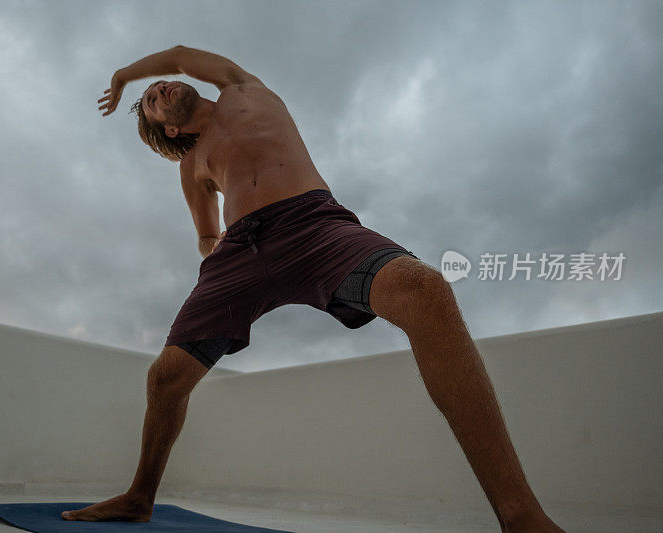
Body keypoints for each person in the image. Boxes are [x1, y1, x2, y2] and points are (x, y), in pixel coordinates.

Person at [62, 46, 564, 532]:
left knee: (424, 288)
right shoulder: (190, 166)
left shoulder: (241, 86)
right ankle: (138, 498)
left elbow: (175, 53)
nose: (160, 88)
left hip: (313, 226)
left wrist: (124, 76)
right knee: (165, 378)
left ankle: (520, 517)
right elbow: (205, 235)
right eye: (152, 100)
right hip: (239, 250)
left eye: (159, 86)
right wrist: (215, 256)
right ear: (168, 128)